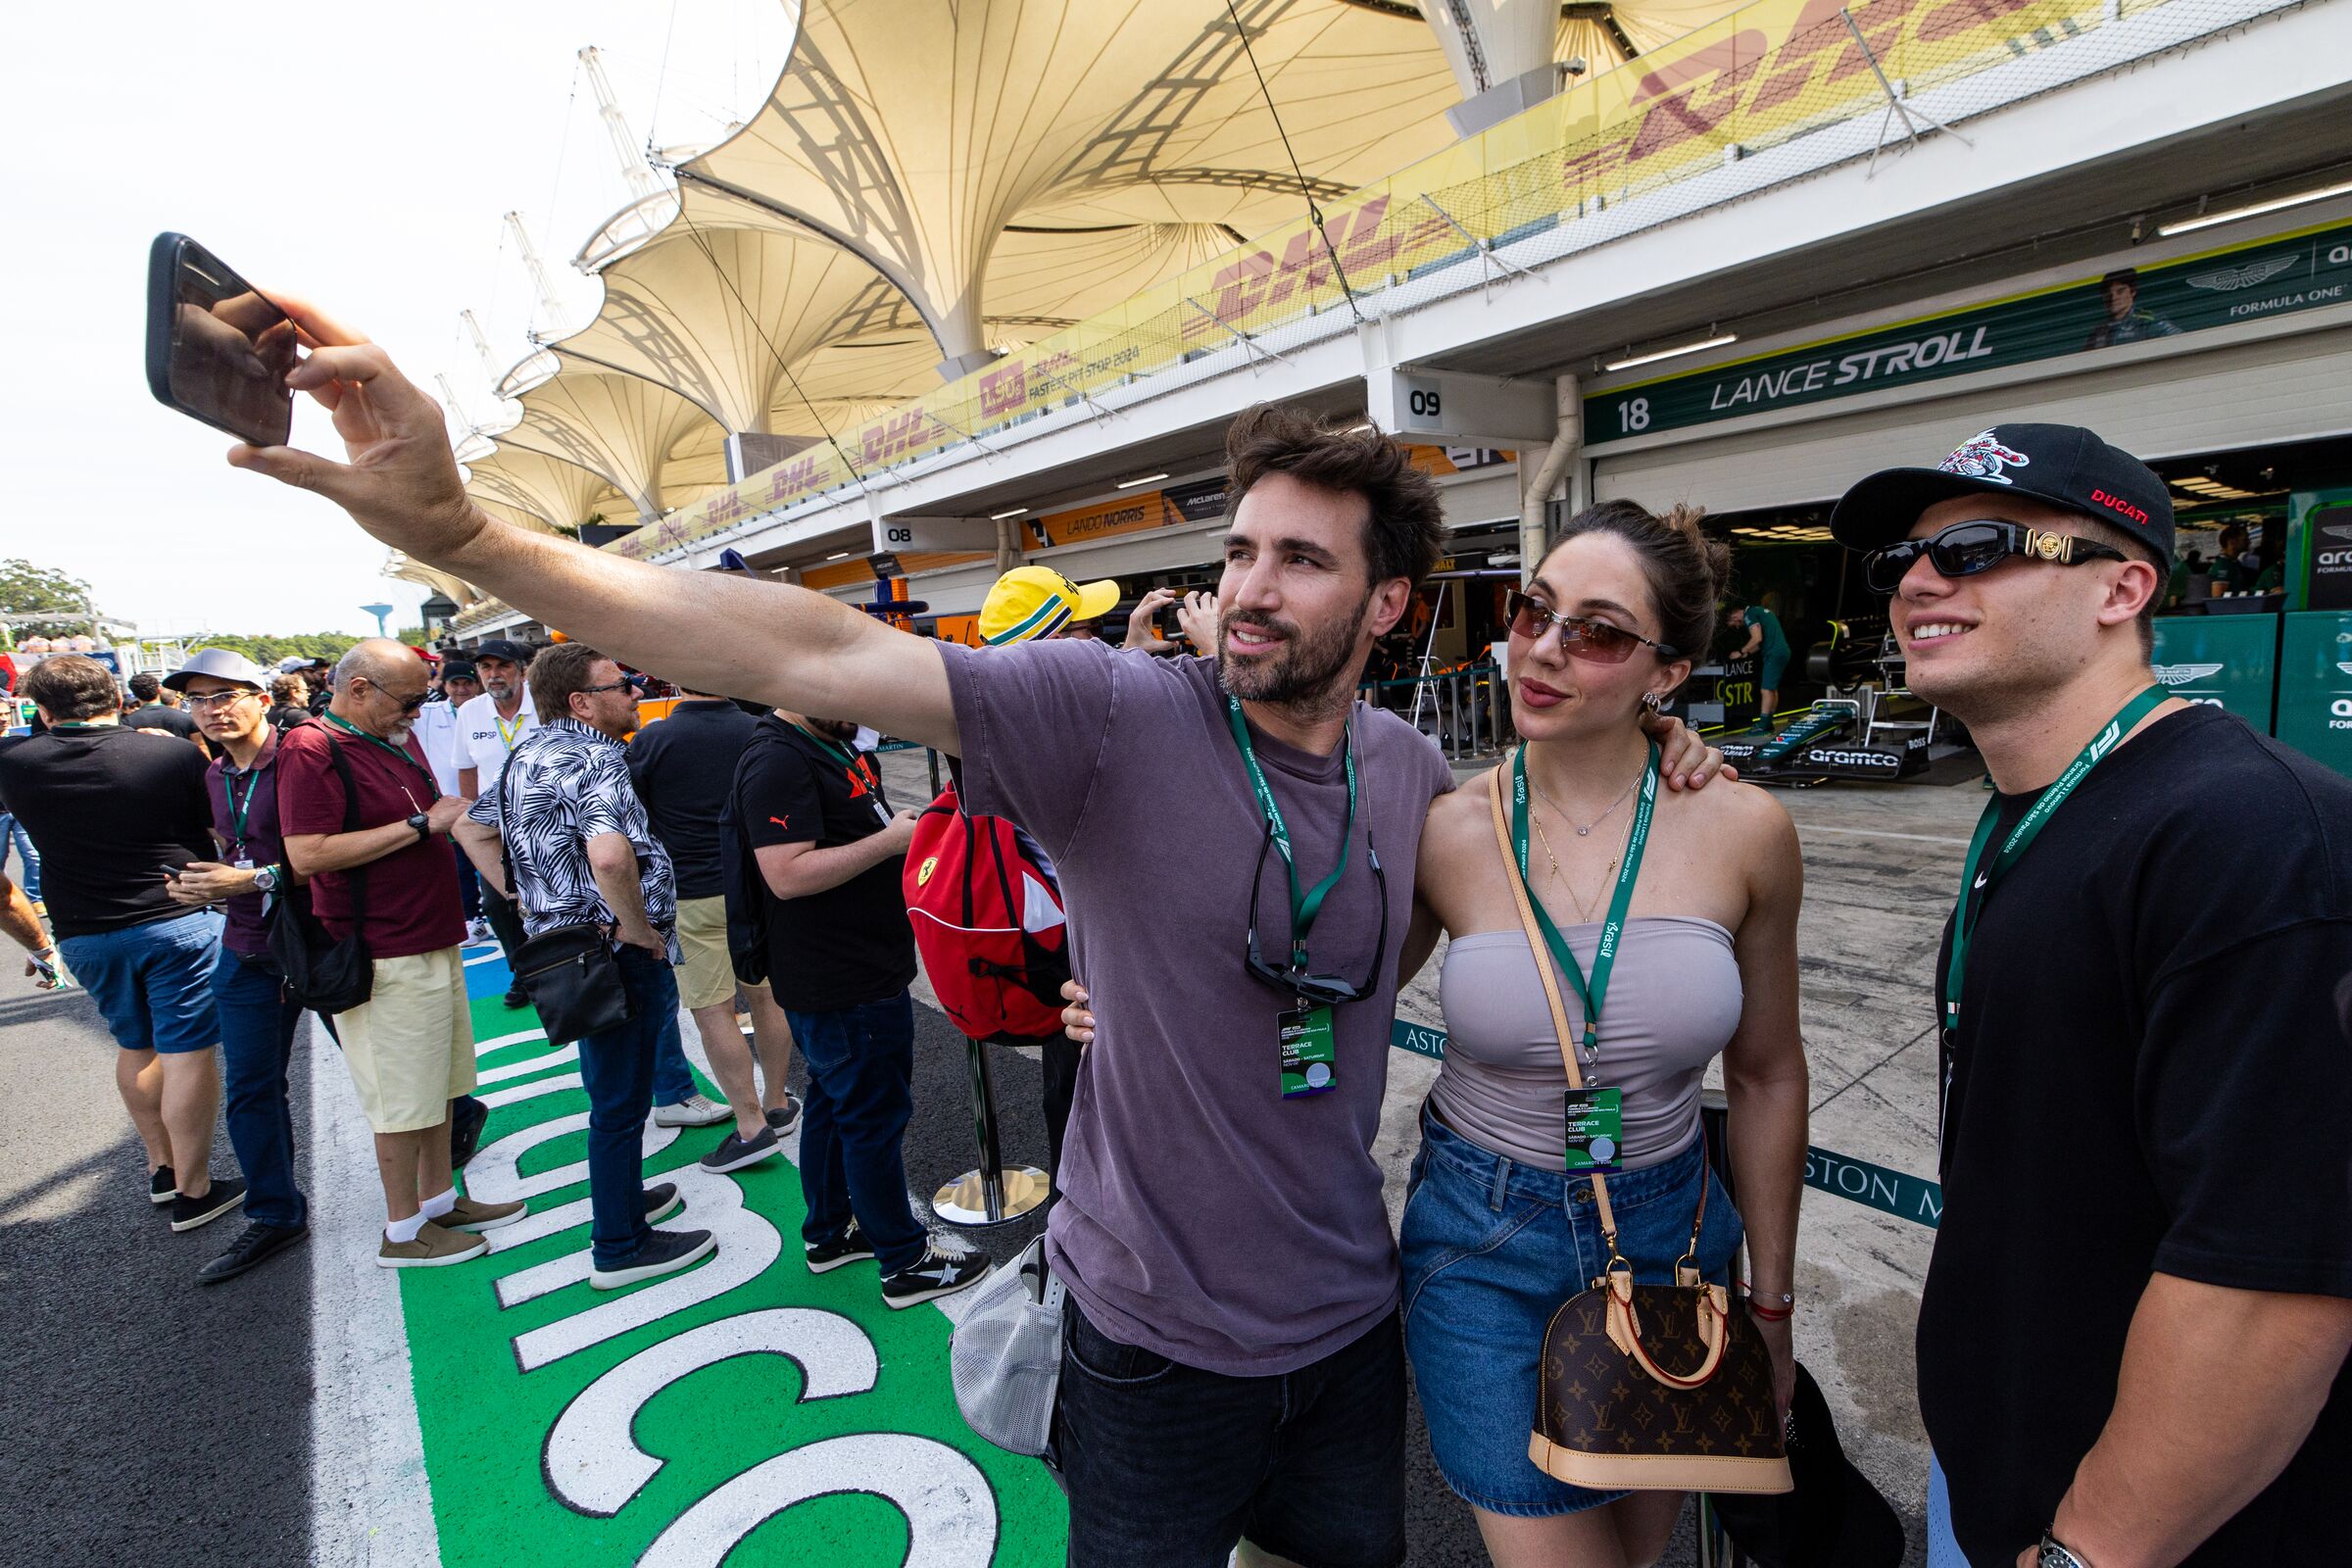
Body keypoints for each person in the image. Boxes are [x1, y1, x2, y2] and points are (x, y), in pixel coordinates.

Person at [221, 301, 1723, 1564]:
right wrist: (474, 532)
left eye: (1304, 563)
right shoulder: (1116, 714)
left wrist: (1658, 739)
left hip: (1347, 1323)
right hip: (1148, 1337)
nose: (1251, 591)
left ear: (1391, 603)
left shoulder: (1409, 774)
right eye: (1245, 551)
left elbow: (1390, 949)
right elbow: (813, 642)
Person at [1829, 423, 2352, 1568]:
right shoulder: (2039, 807)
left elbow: (2274, 1278)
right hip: (1998, 1473)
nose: (1918, 580)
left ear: (2124, 586)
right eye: (1900, 563)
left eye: (1974, 546)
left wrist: (2092, 1546)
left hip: (2154, 1530)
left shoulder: (2251, 835)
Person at [1395, 502, 1806, 1564]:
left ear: (1667, 673)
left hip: (1673, 1235)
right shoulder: (1444, 828)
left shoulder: (1746, 828)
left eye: (1600, 632)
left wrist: (1772, 1300)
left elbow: (1764, 1074)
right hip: (1481, 1237)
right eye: (1535, 612)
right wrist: (1130, 989)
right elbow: (1331, 1003)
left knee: (1640, 1551)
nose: (1544, 648)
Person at [456, 644, 714, 1288]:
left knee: (611, 1092)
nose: (633, 693)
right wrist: (639, 933)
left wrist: (523, 894)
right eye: (620, 684)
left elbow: (470, 827)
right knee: (621, 1101)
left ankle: (621, 1202)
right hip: (615, 951)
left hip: (565, 951)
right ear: (581, 701)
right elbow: (607, 856)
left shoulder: (530, 752)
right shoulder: (600, 757)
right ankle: (620, 1244)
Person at [278, 640, 523, 1268]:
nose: (420, 712)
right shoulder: (312, 748)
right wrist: (420, 828)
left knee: (438, 1086)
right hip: (382, 947)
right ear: (359, 689)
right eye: (411, 699)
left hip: (430, 936)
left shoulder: (388, 737)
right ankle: (402, 1228)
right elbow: (307, 855)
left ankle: (438, 1201)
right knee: (400, 1098)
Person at [737, 703, 990, 1306]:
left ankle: (831, 1232)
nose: (860, 705)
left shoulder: (824, 742)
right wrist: (889, 841)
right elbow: (787, 873)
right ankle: (905, 1261)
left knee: (834, 1100)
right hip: (841, 975)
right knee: (872, 1115)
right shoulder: (778, 757)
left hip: (847, 966)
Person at [0, 654, 245, 1231]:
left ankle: (162, 1168)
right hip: (177, 916)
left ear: (41, 707)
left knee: (136, 1044)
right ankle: (195, 1188)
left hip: (83, 929)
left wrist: (38, 946)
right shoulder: (172, 752)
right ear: (114, 697)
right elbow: (221, 830)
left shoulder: (12, 763)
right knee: (187, 1049)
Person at [162, 649, 314, 1284]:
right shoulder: (214, 775)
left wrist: (245, 877)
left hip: (323, 944)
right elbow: (236, 852)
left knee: (386, 1074)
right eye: (199, 699)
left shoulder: (308, 758)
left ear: (259, 696)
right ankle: (276, 1213)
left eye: (225, 695)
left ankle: (452, 1134)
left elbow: (335, 856)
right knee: (251, 1091)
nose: (213, 710)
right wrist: (203, 886)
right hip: (248, 950)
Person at [624, 684, 800, 1156]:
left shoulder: (653, 740)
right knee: (768, 998)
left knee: (712, 1009)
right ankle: (778, 1101)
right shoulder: (758, 729)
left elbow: (632, 816)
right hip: (756, 885)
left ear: (677, 682)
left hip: (691, 891)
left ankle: (750, 1124)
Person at [455, 638, 539, 1007]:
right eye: (486, 668)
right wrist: (472, 825)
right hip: (496, 829)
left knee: (551, 898)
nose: (494, 675)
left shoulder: (545, 702)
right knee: (497, 905)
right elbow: (467, 770)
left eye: (502, 666)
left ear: (521, 670)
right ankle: (522, 973)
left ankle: (562, 968)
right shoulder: (470, 712)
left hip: (545, 822)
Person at [416, 657, 490, 943]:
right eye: (455, 683)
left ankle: (488, 914)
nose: (461, 689)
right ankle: (472, 917)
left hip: (485, 805)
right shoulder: (428, 714)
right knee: (460, 867)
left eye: (467, 683)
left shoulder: (487, 709)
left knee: (487, 863)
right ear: (444, 685)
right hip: (449, 806)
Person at [2082, 268, 2180, 351]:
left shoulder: (2149, 321)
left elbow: (2180, 343)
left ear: (2133, 292)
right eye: (2108, 294)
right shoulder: (2100, 330)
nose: (2113, 298)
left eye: (2120, 291)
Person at [1728, 601, 1791, 718]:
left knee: (1766, 690)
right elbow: (1760, 643)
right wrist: (1746, 653)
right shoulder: (1758, 611)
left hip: (1773, 653)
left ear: (1735, 616)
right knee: (1772, 689)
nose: (1737, 626)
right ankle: (1769, 720)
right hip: (1781, 651)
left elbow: (1757, 638)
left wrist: (1740, 652)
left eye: (1734, 624)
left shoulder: (1749, 614)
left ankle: (1763, 724)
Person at [124, 670, 205, 749]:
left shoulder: (127, 722)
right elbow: (200, 746)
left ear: (135, 694)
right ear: (159, 690)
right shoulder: (185, 717)